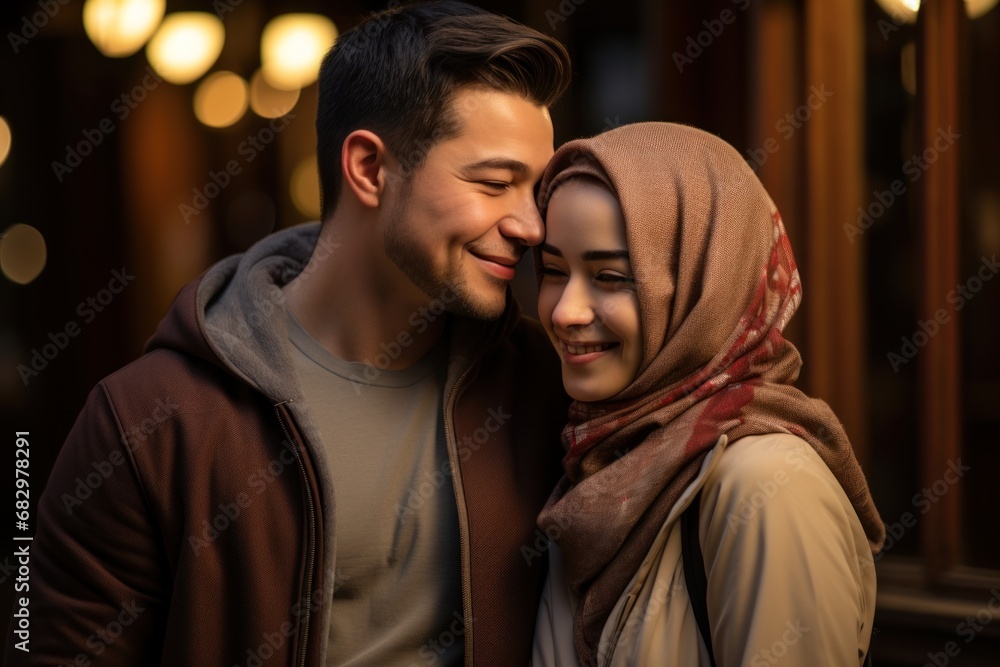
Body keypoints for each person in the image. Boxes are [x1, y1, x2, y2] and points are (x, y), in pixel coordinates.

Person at [6, 2, 573, 665]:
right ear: (368, 168)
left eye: (536, 190)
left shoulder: (548, 381)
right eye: (496, 183)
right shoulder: (145, 422)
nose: (532, 226)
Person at [530, 122, 885, 666]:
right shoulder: (600, 463)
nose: (564, 311)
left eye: (611, 278)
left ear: (706, 290)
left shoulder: (766, 486)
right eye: (554, 271)